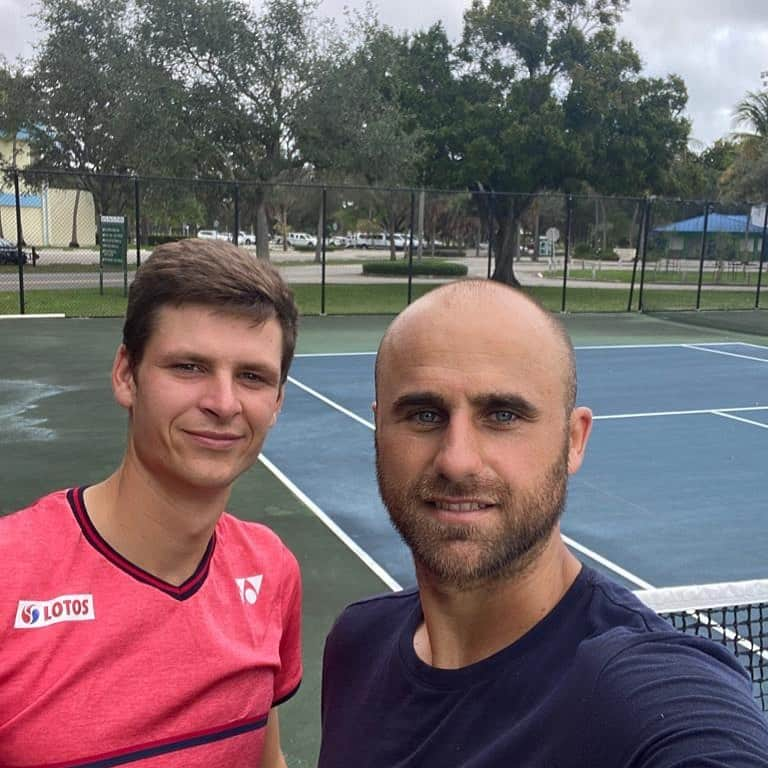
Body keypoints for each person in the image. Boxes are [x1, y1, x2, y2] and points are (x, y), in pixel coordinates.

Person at [319, 279, 768, 767]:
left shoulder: (631, 688)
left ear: (574, 440)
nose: (458, 460)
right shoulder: (356, 643)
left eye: (504, 415)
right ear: (378, 428)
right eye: (425, 414)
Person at [1, 239, 302, 767]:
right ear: (126, 375)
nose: (223, 403)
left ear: (276, 403)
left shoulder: (270, 570)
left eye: (252, 377)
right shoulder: (10, 577)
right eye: (188, 367)